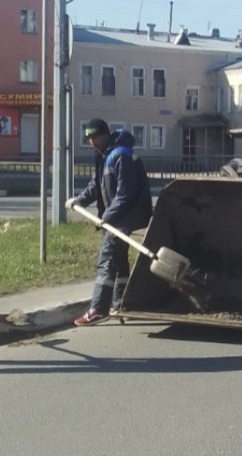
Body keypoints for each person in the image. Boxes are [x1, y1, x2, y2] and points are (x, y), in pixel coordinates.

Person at [67, 118, 153, 326]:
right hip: (118, 217)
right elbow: (95, 185)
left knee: (106, 260)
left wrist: (106, 218)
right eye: (89, 138)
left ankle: (98, 309)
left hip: (125, 216)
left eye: (95, 137)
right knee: (119, 259)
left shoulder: (120, 155)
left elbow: (125, 194)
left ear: (106, 135)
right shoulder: (105, 156)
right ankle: (120, 303)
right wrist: (79, 201)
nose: (92, 142)